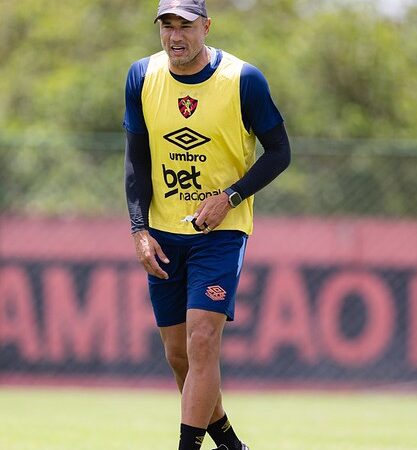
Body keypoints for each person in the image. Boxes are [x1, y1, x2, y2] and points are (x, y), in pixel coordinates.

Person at [123, 1, 291, 449]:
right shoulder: (141, 76)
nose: (175, 36)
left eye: (186, 26)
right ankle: (231, 444)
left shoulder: (243, 80)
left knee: (201, 340)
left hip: (220, 234)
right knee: (179, 356)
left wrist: (231, 196)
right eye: (167, 26)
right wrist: (139, 229)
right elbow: (137, 160)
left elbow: (279, 152)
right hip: (162, 235)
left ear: (207, 27)